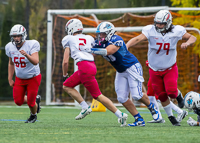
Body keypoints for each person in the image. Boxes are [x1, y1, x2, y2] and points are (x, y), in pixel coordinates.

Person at [81, 21, 160, 127]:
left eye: (103, 33)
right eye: (100, 34)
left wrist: (90, 49)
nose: (100, 36)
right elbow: (92, 51)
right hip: (121, 71)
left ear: (109, 33)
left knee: (136, 95)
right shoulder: (100, 42)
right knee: (122, 98)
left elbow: (108, 51)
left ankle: (152, 107)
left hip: (132, 67)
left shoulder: (116, 39)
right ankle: (139, 119)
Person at [126, 10, 196, 126]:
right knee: (162, 95)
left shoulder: (176, 30)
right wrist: (127, 45)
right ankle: (171, 117)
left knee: (171, 92)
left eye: (161, 24)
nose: (158, 26)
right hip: (154, 69)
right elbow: (138, 39)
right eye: (157, 23)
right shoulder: (150, 30)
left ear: (168, 22)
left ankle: (178, 95)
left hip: (169, 68)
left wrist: (187, 43)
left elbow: (192, 37)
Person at [62, 19, 128, 127]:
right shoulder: (89, 37)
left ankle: (120, 115)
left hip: (83, 67)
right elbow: (94, 51)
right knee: (67, 85)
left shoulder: (68, 39)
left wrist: (65, 75)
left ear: (70, 29)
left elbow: (65, 61)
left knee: (98, 96)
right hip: (91, 65)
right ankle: (84, 107)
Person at [5, 24, 42, 123]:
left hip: (33, 77)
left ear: (23, 35)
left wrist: (27, 55)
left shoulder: (32, 44)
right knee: (18, 101)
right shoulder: (9, 47)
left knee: (30, 102)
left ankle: (33, 115)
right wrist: (10, 78)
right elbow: (11, 63)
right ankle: (36, 101)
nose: (16, 38)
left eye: (18, 36)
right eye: (14, 36)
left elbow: (36, 61)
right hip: (20, 78)